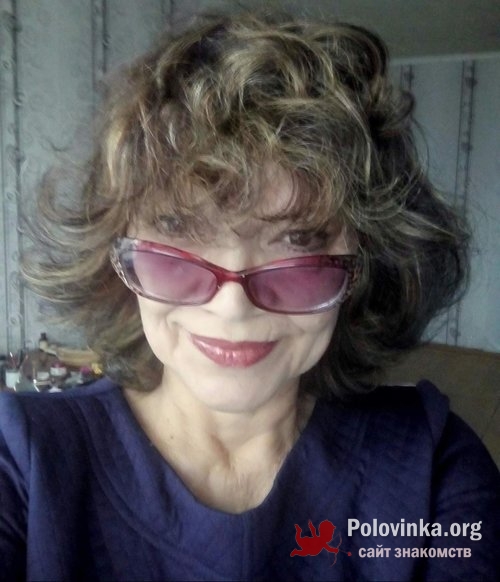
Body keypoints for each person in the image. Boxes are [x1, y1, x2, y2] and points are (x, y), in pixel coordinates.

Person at [1, 11, 499, 581]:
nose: (232, 306)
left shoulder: (433, 468)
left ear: (363, 267)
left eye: (299, 241)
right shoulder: (23, 460)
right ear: (117, 257)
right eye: (180, 231)